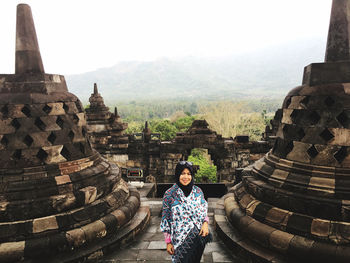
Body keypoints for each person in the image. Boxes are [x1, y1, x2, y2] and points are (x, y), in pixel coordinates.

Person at [160, 161, 211, 263]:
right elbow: (166, 219)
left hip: (198, 238)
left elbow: (204, 210)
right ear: (178, 174)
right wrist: (168, 242)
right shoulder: (169, 195)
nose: (186, 177)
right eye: (183, 173)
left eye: (189, 174)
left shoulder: (198, 192)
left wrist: (205, 223)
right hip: (179, 242)